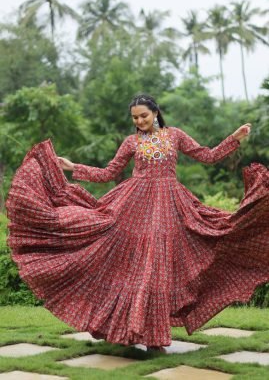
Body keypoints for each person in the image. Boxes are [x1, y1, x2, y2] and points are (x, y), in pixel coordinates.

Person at [6, 94, 269, 353]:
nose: (140, 121)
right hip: (134, 205)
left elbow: (207, 155)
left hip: (170, 205)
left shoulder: (174, 135)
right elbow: (108, 173)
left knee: (163, 264)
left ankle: (154, 339)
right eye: (135, 117)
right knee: (133, 266)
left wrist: (233, 139)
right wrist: (73, 166)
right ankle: (124, 330)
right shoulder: (131, 142)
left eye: (144, 115)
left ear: (156, 113)